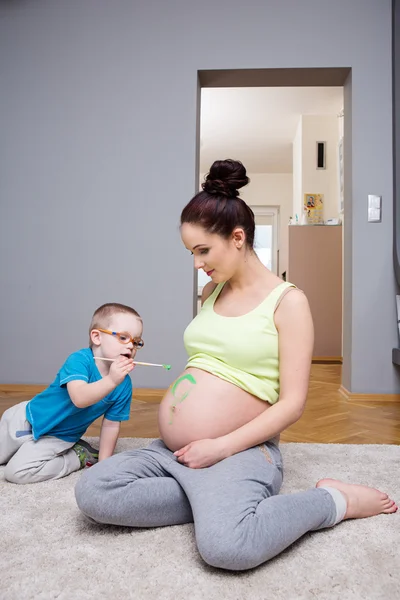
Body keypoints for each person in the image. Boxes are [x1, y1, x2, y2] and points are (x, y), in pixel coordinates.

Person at [75, 161, 397, 571]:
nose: (197, 264)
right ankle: (211, 498)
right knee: (94, 491)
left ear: (238, 238)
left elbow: (292, 405)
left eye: (203, 250)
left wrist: (219, 446)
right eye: (191, 252)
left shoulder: (288, 302)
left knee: (228, 548)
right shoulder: (212, 291)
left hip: (241, 450)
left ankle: (334, 499)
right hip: (178, 452)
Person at [0, 302, 143, 484]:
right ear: (97, 337)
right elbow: (80, 398)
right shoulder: (80, 360)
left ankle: (78, 455)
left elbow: (111, 425)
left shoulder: (123, 385)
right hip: (24, 418)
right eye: (124, 338)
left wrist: (103, 464)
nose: (131, 346)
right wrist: (111, 380)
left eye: (136, 342)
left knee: (16, 473)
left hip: (58, 437)